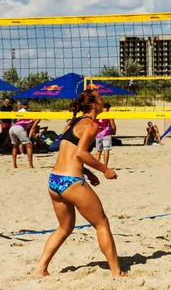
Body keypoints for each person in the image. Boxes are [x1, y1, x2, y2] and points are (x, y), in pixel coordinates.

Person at [33, 89, 125, 277]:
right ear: (94, 105)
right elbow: (81, 153)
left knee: (65, 228)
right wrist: (104, 169)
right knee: (102, 224)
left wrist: (88, 172)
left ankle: (40, 268)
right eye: (100, 99)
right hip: (71, 182)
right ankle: (116, 272)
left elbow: (67, 153)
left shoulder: (71, 123)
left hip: (55, 180)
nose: (102, 100)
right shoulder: (91, 125)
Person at [9, 100, 40, 169]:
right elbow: (32, 129)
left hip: (12, 128)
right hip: (19, 128)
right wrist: (29, 138)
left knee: (15, 146)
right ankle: (31, 165)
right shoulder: (35, 118)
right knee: (29, 146)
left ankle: (14, 166)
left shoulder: (25, 116)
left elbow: (17, 119)